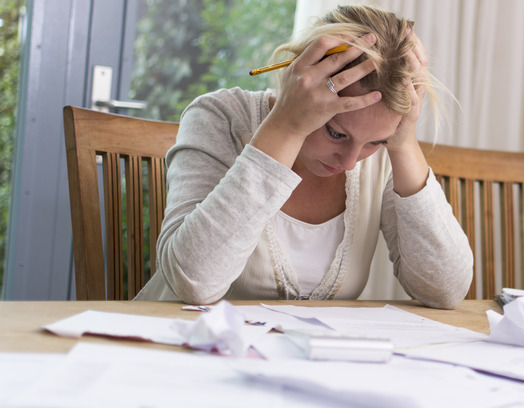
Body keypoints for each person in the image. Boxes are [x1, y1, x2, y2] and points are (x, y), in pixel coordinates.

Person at [136, 5, 473, 309]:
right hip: (178, 354)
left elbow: (445, 290)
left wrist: (400, 144)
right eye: (337, 133)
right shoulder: (219, 117)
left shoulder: (384, 154)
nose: (350, 162)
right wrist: (286, 126)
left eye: (376, 142)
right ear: (299, 80)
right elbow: (194, 282)